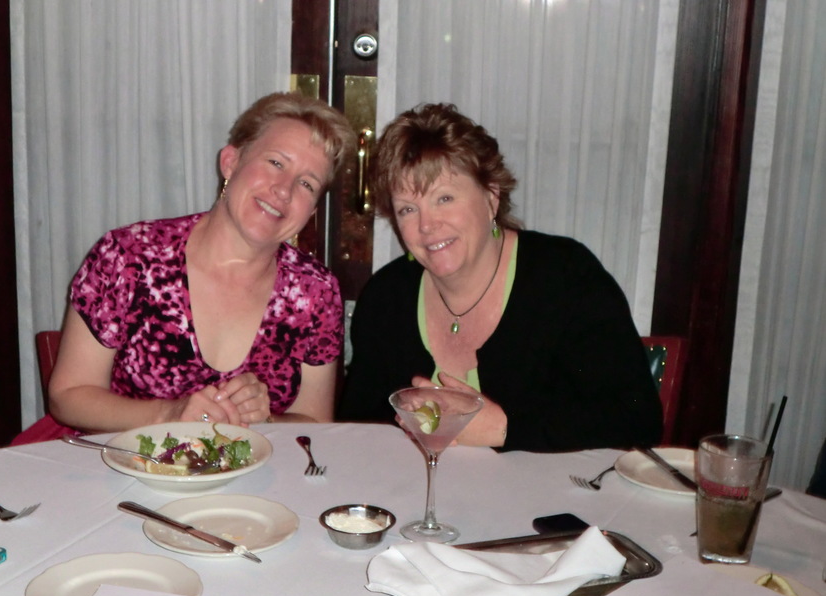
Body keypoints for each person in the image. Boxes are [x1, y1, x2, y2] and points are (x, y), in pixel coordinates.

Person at [338, 103, 662, 452]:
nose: (427, 225)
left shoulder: (566, 277)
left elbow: (638, 420)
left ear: (491, 197)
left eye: (444, 198)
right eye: (407, 209)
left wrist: (505, 428)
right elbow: (356, 431)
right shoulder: (385, 297)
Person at [45, 92, 356, 434]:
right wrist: (168, 414)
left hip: (255, 469)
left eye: (307, 184)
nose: (284, 190)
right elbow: (68, 396)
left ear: (311, 212)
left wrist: (266, 418)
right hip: (127, 462)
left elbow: (315, 424)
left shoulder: (316, 292)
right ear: (231, 161)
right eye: (276, 163)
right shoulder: (128, 257)